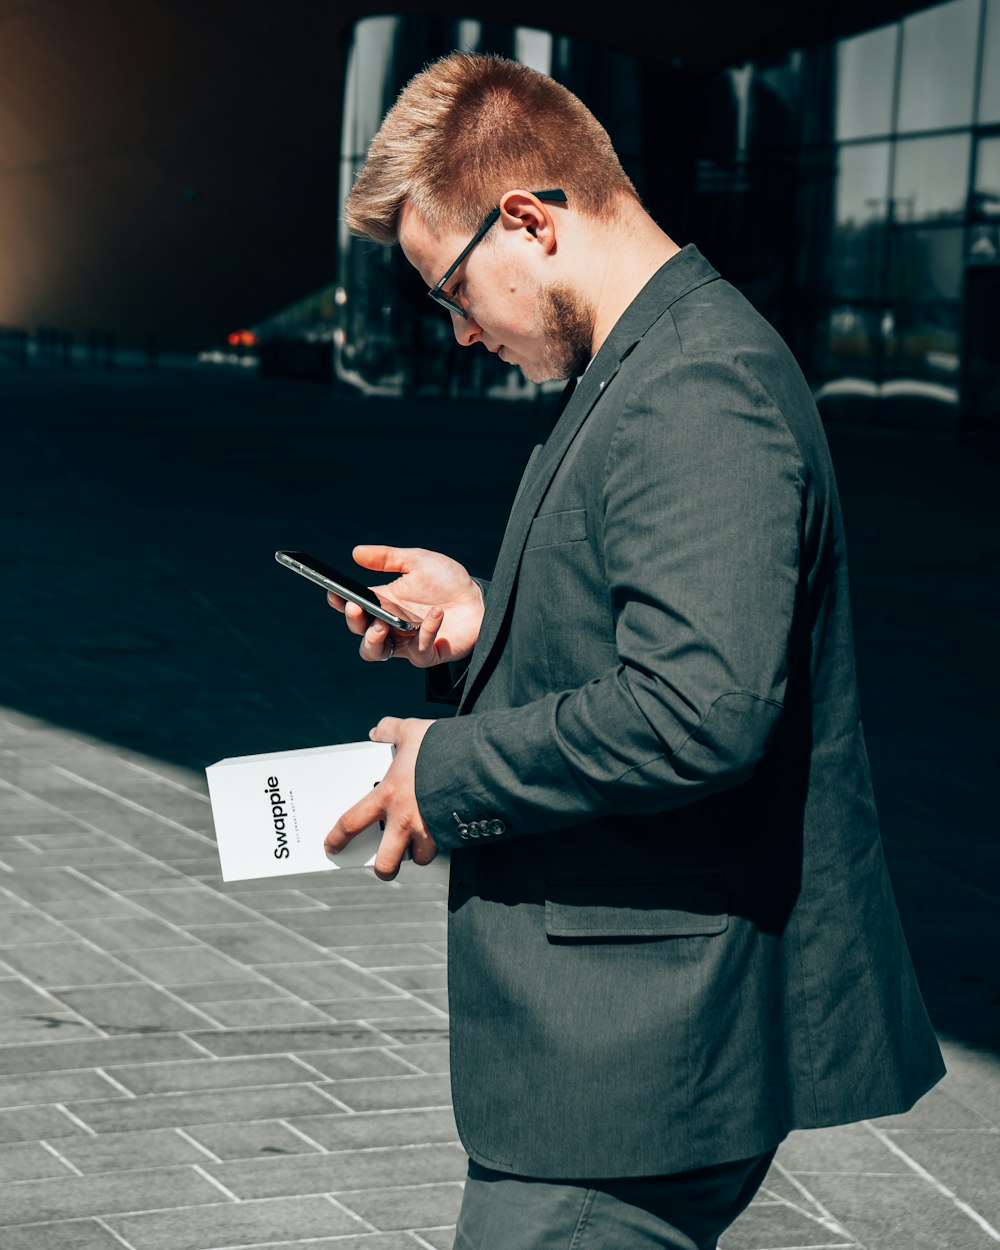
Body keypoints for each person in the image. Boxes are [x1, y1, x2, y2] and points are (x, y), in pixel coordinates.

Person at [323, 51, 945, 1250]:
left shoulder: (695, 384)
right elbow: (665, 633)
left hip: (629, 1076)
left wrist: (441, 771)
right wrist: (477, 619)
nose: (457, 332)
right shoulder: (645, 364)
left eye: (451, 290)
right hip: (604, 1065)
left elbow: (697, 707)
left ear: (527, 219)